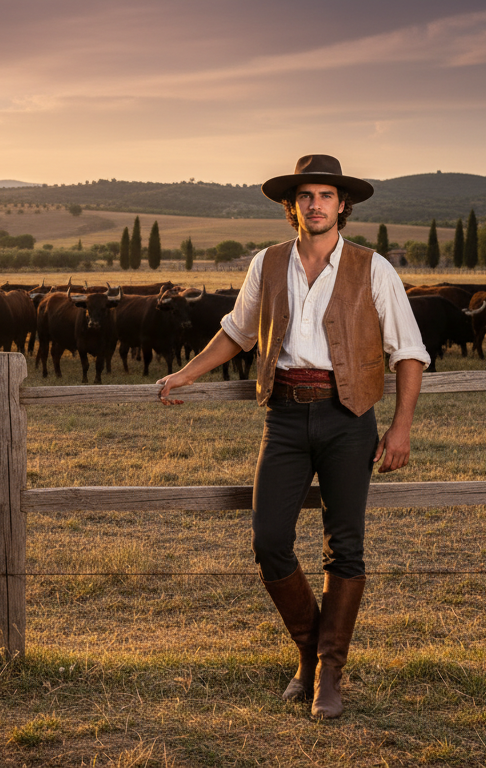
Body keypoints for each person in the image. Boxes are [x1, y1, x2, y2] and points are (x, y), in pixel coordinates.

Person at [157, 154, 428, 718]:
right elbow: (237, 332)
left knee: (345, 544)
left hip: (349, 417)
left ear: (342, 205)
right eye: (306, 195)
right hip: (283, 415)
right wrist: (187, 372)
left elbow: (408, 352)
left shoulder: (373, 268)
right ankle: (309, 650)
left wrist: (400, 427)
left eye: (326, 195)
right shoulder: (268, 262)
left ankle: (328, 673)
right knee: (269, 539)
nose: (316, 204)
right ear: (292, 206)